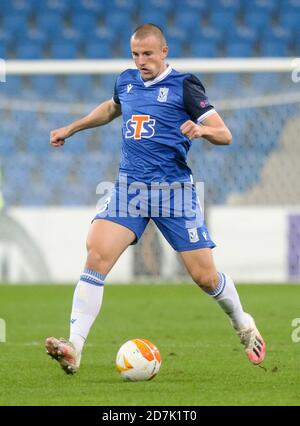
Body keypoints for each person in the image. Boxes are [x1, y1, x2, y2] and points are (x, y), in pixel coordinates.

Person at [45, 24, 266, 374]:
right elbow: (111, 108)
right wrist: (71, 128)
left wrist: (202, 129)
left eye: (147, 54)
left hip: (173, 192)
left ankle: (242, 321)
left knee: (205, 278)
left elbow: (224, 134)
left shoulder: (185, 86)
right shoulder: (126, 80)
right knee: (96, 254)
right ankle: (74, 346)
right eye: (135, 54)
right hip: (128, 189)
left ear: (164, 51)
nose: (141, 61)